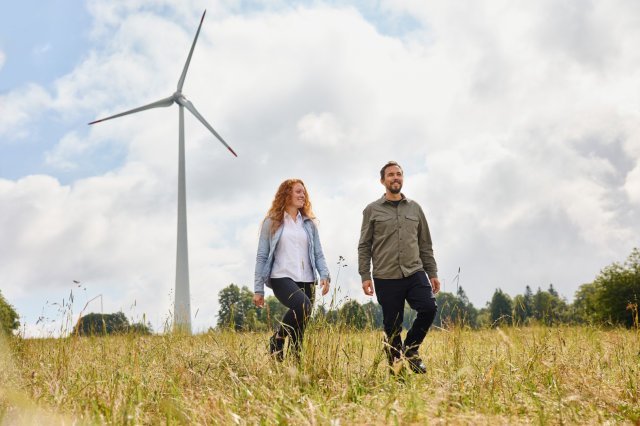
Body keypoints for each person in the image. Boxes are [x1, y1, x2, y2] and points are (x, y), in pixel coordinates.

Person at [358, 161, 440, 374]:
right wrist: (365, 275)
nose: (395, 178)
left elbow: (425, 244)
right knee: (392, 327)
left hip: (414, 271)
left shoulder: (415, 208)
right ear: (382, 181)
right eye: (391, 175)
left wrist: (432, 272)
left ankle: (411, 349)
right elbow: (364, 245)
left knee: (429, 307)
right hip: (385, 276)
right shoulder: (372, 210)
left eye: (399, 174)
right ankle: (397, 372)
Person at [253, 179, 331, 361]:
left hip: (307, 278)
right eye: (298, 192)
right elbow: (262, 256)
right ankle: (278, 337)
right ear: (286, 194)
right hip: (282, 277)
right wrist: (258, 289)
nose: (302, 195)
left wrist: (324, 274)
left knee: (300, 328)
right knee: (303, 305)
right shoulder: (272, 222)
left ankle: (295, 370)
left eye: (304, 193)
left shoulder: (309, 224)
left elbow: (318, 252)